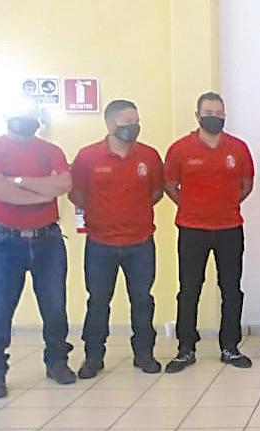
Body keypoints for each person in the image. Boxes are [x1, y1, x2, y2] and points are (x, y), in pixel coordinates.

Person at [0, 102, 75, 398]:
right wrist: (41, 192)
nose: (26, 118)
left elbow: (63, 184)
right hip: (6, 241)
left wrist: (17, 183)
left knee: (55, 307)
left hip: (48, 239)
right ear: (7, 115)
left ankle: (57, 362)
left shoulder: (51, 150)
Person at [69, 99, 164, 378]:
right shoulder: (87, 156)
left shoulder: (149, 156)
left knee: (142, 300)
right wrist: (101, 213)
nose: (133, 126)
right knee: (98, 301)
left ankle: (144, 354)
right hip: (101, 243)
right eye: (127, 122)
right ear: (110, 124)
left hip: (140, 242)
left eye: (136, 121)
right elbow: (77, 194)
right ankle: (93, 357)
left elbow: (156, 192)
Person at [163, 92, 254, 373]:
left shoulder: (238, 148)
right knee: (189, 289)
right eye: (208, 113)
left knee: (231, 289)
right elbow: (169, 185)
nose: (214, 117)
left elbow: (246, 184)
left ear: (225, 115)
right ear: (197, 116)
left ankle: (230, 347)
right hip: (192, 229)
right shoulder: (180, 149)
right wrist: (193, 206)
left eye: (219, 113)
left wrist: (225, 205)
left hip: (230, 228)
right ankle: (185, 348)